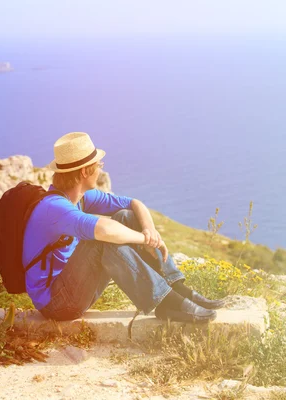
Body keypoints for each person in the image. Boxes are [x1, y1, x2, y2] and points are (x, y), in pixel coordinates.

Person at [22, 132, 224, 322]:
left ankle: (178, 291)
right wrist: (145, 240)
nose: (101, 168)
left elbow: (134, 204)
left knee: (125, 217)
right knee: (102, 242)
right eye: (98, 164)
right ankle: (169, 301)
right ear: (85, 171)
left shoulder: (79, 197)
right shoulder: (54, 208)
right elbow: (104, 231)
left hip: (74, 287)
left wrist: (150, 231)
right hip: (56, 304)